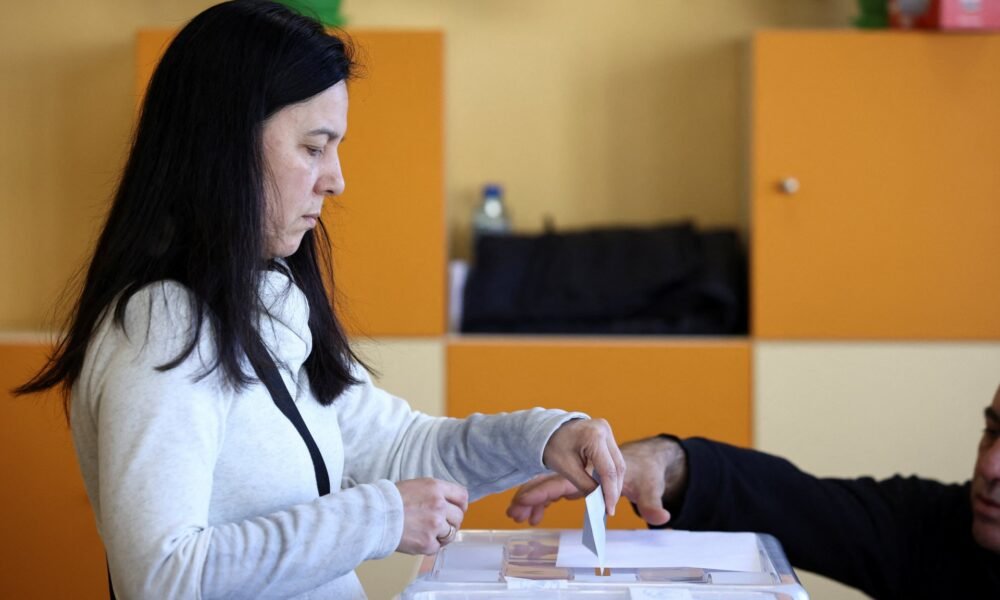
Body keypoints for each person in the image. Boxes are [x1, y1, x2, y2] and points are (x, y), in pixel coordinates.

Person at [12, 2, 625, 598]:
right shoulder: (161, 328)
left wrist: (545, 436)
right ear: (224, 145)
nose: (336, 178)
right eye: (313, 146)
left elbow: (404, 448)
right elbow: (164, 577)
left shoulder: (268, 301)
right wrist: (378, 520)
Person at [508, 385, 1000, 598]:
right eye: (992, 431)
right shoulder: (938, 526)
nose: (989, 465)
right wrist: (665, 460)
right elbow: (795, 501)